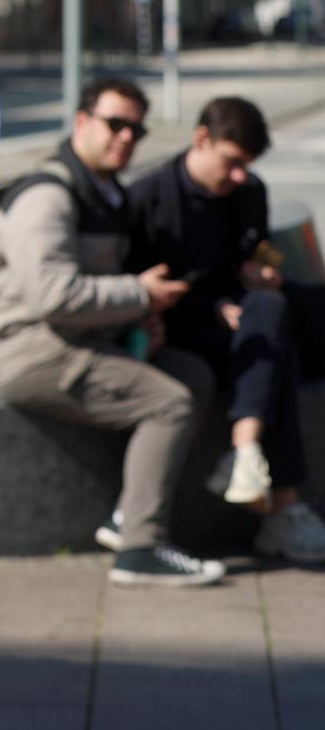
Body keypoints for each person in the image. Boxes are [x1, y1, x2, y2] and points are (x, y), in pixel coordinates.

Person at [0, 75, 226, 587]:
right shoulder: (49, 196)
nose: (126, 137)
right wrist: (140, 295)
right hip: (20, 348)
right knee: (168, 401)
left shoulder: (105, 194)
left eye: (136, 130)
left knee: (193, 372)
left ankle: (129, 513)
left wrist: (136, 317)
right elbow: (52, 296)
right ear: (82, 122)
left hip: (70, 339)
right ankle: (140, 547)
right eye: (115, 124)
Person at [126, 96, 325, 562]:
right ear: (201, 139)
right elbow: (142, 290)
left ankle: (246, 452)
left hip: (248, 318)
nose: (239, 177)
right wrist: (215, 307)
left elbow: (250, 256)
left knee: (274, 314)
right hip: (182, 327)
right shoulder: (149, 198)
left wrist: (258, 273)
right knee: (274, 343)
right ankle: (280, 505)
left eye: (247, 166)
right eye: (232, 162)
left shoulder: (249, 192)